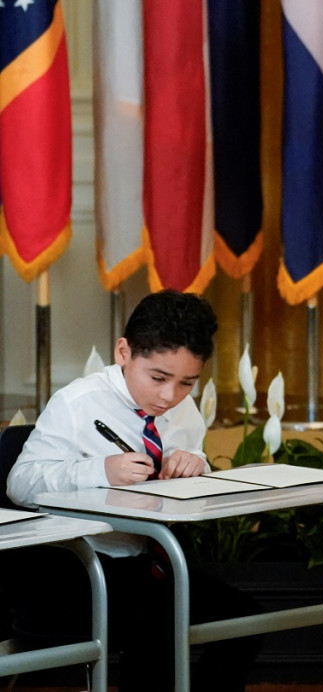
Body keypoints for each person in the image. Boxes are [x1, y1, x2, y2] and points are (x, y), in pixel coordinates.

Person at [4, 289, 260, 692]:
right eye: (158, 378)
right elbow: (21, 483)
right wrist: (100, 469)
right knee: (157, 622)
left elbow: (187, 471)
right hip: (78, 568)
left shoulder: (180, 408)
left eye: (186, 383)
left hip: (150, 563)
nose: (168, 396)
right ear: (124, 352)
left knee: (243, 618)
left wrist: (196, 465)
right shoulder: (78, 403)